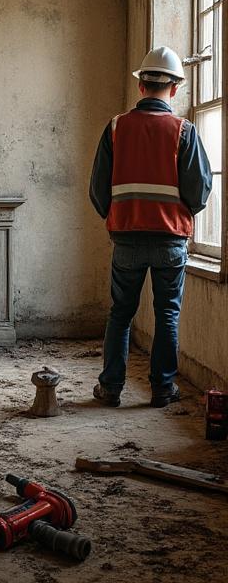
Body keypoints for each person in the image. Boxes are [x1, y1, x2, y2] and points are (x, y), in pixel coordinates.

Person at [90, 46, 212, 408]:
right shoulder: (183, 131)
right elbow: (200, 189)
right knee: (167, 315)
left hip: (126, 237)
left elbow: (98, 189)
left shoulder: (116, 128)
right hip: (170, 239)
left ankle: (111, 388)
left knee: (120, 314)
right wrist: (176, 215)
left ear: (141, 85)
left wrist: (117, 220)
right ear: (174, 89)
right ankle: (162, 389)